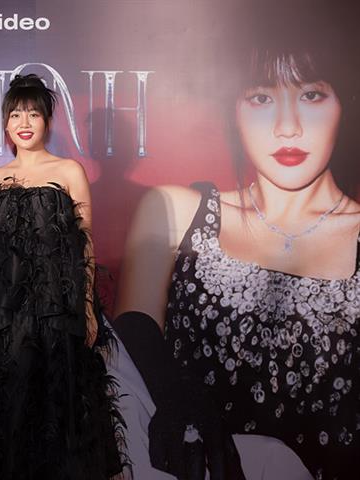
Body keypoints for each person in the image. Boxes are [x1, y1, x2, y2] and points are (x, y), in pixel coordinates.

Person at [114, 3, 360, 479]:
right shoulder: (174, 211)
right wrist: (175, 394)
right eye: (261, 97)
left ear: (345, 103)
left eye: (311, 94)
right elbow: (131, 331)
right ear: (234, 108)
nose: (287, 126)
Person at [0, 74, 128, 480]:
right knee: (11, 413)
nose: (24, 122)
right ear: (5, 124)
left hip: (57, 309)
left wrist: (87, 307)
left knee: (59, 410)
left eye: (33, 114)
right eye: (16, 114)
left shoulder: (69, 171)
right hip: (6, 317)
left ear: (47, 122)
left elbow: (86, 242)